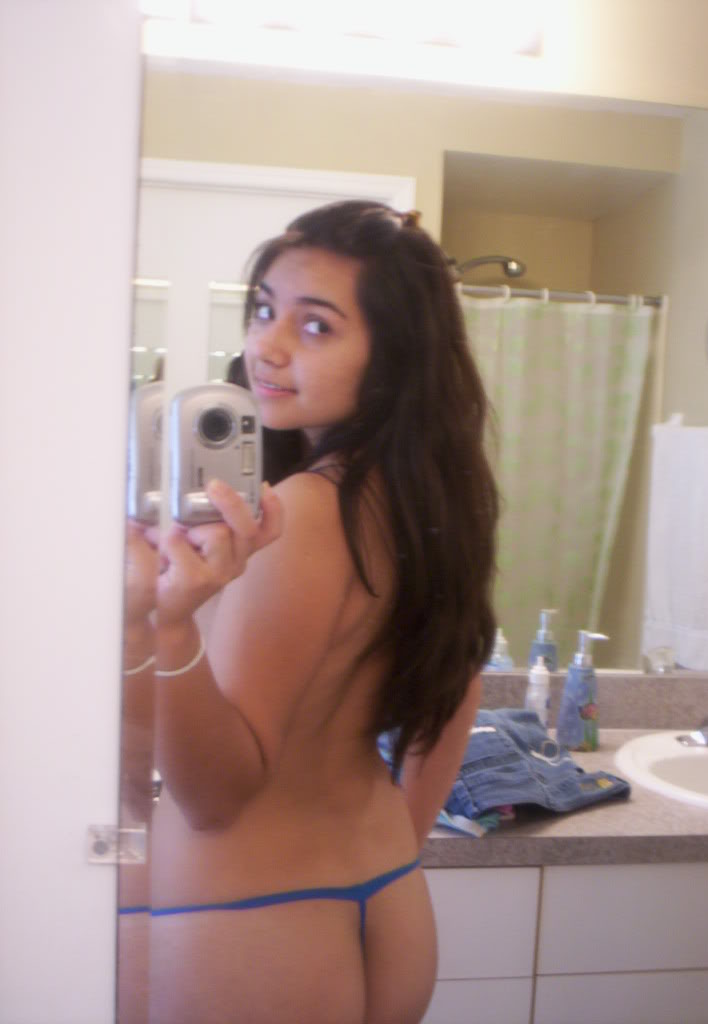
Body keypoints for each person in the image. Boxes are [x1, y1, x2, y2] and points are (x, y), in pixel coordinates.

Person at [131, 201, 498, 1024]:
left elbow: (215, 797)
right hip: (387, 893)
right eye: (264, 309)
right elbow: (459, 688)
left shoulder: (302, 512)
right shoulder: (426, 503)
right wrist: (393, 844)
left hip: (255, 925)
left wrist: (171, 625)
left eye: (317, 326)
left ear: (392, 356)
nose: (267, 346)